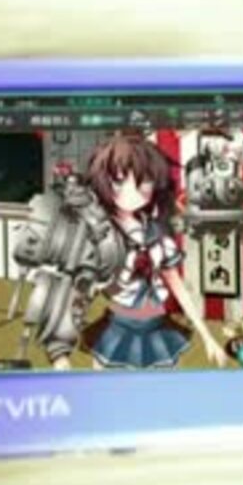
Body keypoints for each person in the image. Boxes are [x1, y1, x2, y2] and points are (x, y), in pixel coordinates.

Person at [51, 135, 227, 370]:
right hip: (117, 327)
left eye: (143, 181)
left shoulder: (157, 234)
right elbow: (79, 295)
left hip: (158, 327)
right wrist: (61, 351)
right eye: (119, 181)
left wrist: (208, 337)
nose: (132, 192)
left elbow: (178, 286)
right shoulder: (101, 237)